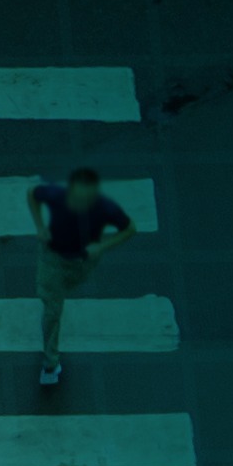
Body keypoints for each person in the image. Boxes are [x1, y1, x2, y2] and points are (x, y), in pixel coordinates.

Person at [25, 165, 138, 391]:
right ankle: (50, 364)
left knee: (59, 295)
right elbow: (32, 193)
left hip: (82, 262)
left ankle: (53, 297)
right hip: (52, 259)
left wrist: (102, 246)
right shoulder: (57, 196)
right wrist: (40, 227)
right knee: (53, 310)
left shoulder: (105, 208)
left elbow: (130, 228)